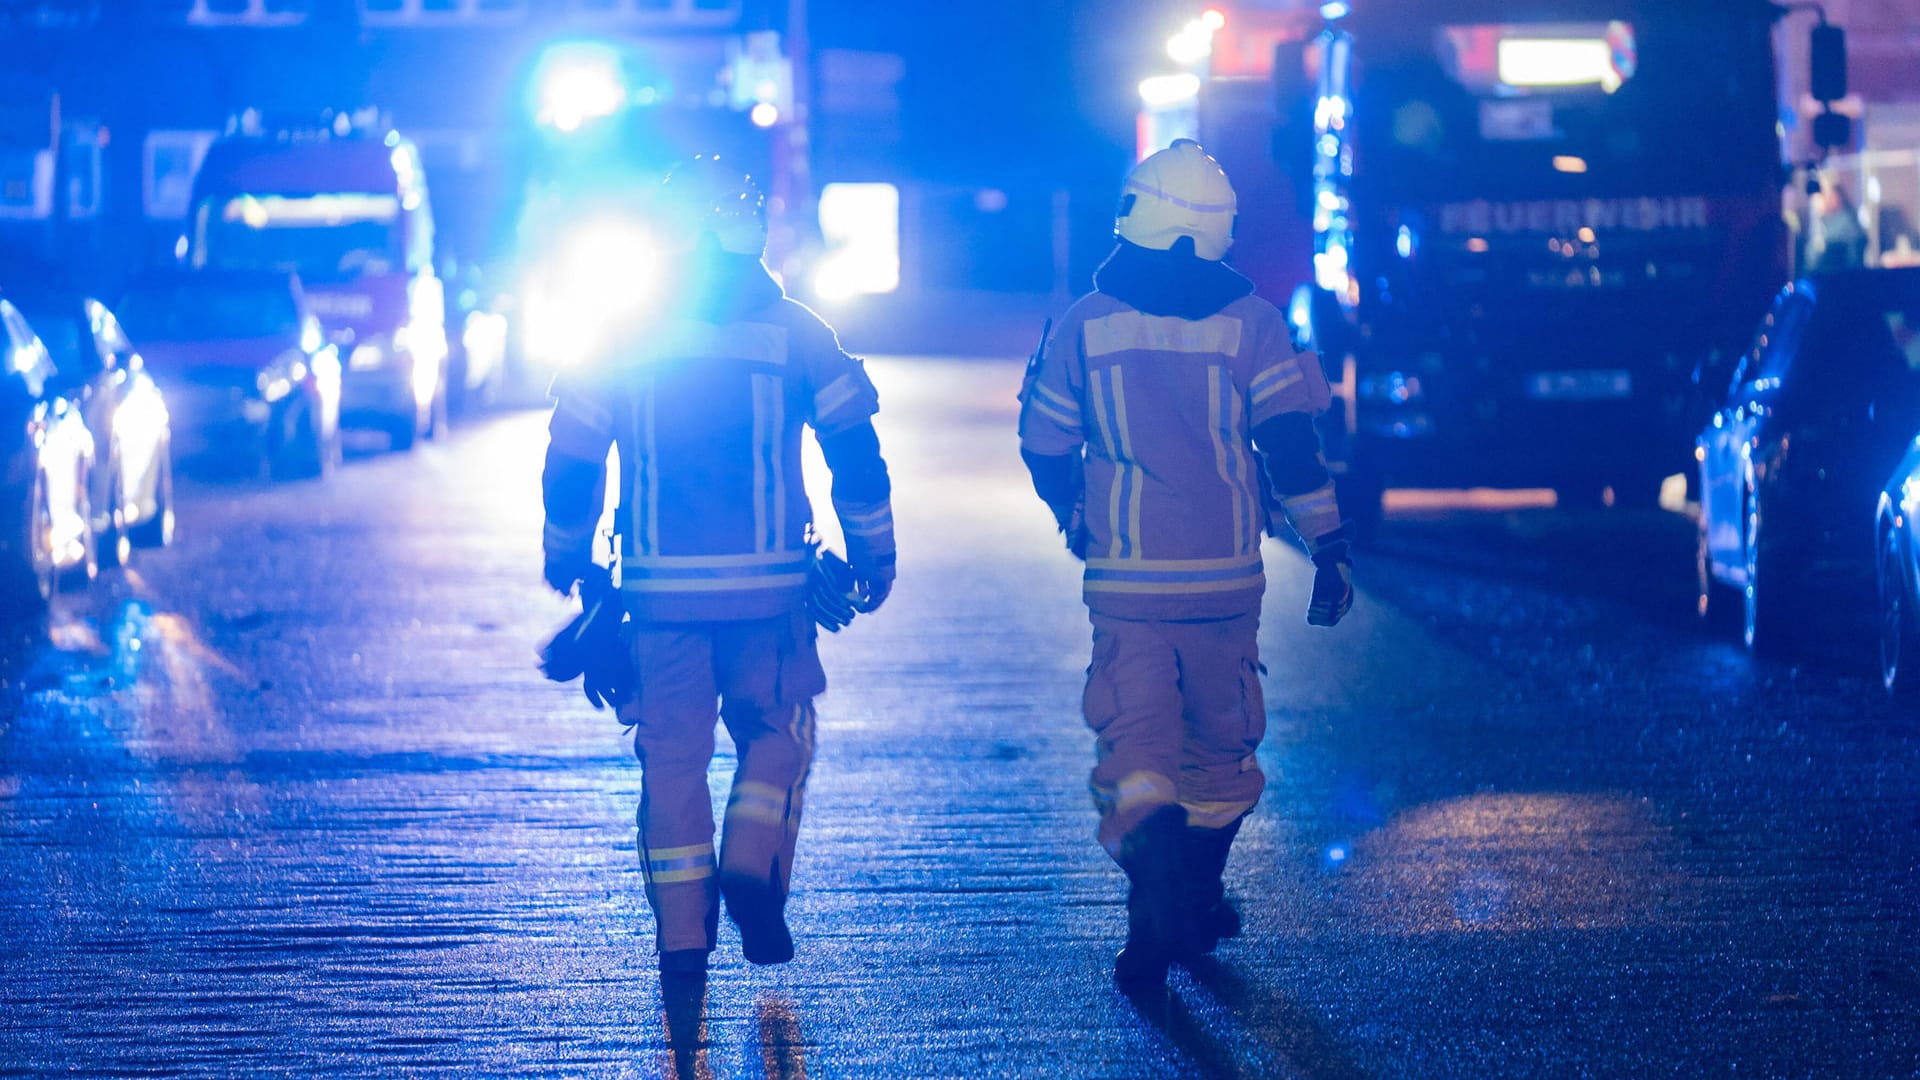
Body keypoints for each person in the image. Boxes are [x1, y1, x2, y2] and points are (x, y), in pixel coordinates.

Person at [541, 157, 896, 979]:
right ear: (753, 235)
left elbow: (572, 456)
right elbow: (857, 454)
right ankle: (749, 859)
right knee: (778, 733)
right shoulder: (801, 333)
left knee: (671, 757)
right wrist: (875, 553)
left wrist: (568, 551)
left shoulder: (619, 336)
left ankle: (681, 942)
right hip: (772, 597)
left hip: (660, 598)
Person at [1017, 140, 1352, 990]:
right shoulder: (1258, 324)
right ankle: (1192, 896)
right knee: (1219, 756)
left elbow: (1044, 441)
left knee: (1135, 753)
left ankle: (1157, 907)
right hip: (1227, 584)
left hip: (1127, 585)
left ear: (1136, 217)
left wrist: (1073, 515)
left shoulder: (1084, 321)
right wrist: (1330, 548)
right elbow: (1292, 450)